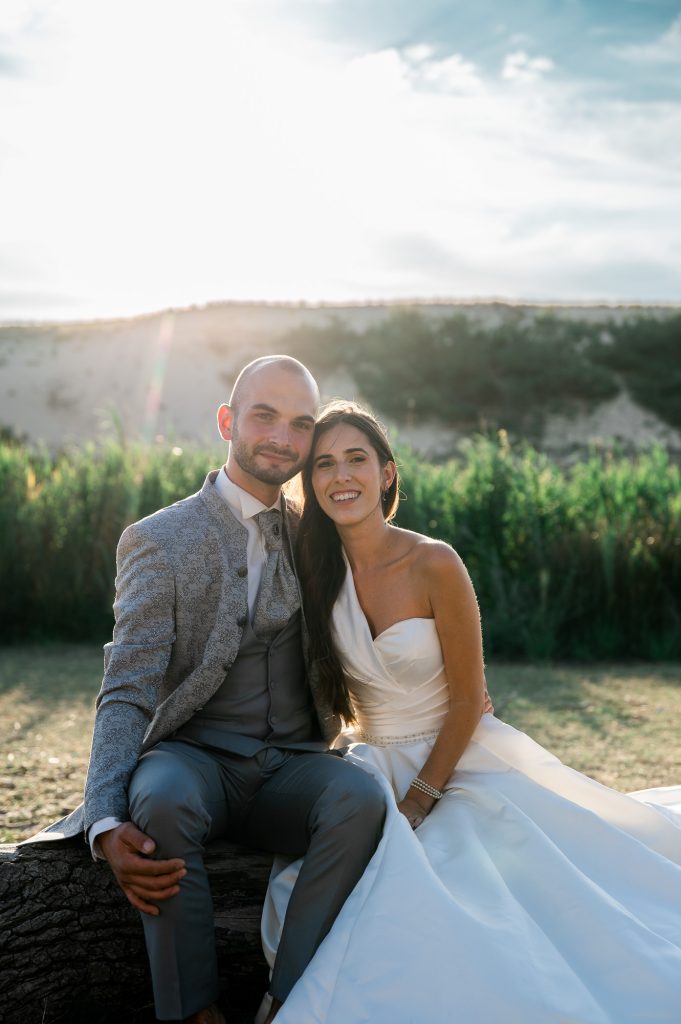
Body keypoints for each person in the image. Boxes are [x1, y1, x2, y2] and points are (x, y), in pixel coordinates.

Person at [261, 401, 681, 1024]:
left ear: (388, 473)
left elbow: (467, 699)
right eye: (323, 464)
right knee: (310, 883)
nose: (340, 475)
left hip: (456, 758)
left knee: (466, 891)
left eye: (357, 459)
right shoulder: (314, 570)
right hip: (369, 763)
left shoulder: (435, 562)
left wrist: (421, 798)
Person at [31, 359, 388, 1024]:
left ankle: (288, 998)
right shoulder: (160, 539)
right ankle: (193, 1011)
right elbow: (127, 688)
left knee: (361, 799)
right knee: (159, 801)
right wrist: (104, 821)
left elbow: (385, 611)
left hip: (292, 764)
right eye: (264, 416)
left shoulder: (318, 533)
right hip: (193, 757)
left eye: (300, 424)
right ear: (227, 421)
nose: (283, 436)